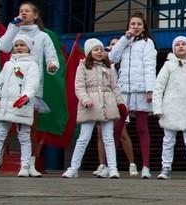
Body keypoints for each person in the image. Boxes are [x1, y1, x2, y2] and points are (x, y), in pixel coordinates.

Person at [0, 1, 60, 176]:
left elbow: (52, 56)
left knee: (30, 126)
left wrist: (52, 65)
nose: (23, 13)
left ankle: (30, 163)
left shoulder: (43, 36)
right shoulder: (15, 32)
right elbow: (2, 46)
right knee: (4, 125)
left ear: (35, 15)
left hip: (31, 87)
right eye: (21, 11)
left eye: (27, 11)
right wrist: (12, 26)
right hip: (11, 87)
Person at [0, 34, 40, 177]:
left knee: (24, 136)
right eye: (16, 45)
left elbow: (32, 84)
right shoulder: (8, 65)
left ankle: (25, 166)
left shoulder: (32, 65)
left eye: (22, 45)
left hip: (21, 106)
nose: (19, 47)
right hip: (4, 107)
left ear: (29, 48)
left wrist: (26, 97)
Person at [62, 38, 122, 179]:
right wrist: (85, 99)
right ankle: (73, 168)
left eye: (101, 49)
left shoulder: (108, 67)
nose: (99, 52)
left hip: (108, 105)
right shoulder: (82, 66)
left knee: (108, 138)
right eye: (96, 50)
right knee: (84, 138)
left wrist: (120, 103)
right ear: (89, 52)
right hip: (89, 106)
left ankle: (113, 168)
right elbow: (79, 87)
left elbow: (115, 87)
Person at [108, 12, 157, 178]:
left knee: (142, 127)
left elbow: (150, 66)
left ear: (144, 27)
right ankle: (111, 166)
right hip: (123, 90)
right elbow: (112, 58)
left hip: (140, 89)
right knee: (117, 127)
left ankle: (146, 167)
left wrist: (150, 90)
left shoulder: (147, 43)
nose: (135, 27)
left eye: (139, 24)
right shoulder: (124, 42)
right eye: (132, 24)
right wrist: (124, 39)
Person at [152, 36, 186, 181]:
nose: (181, 46)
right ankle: (166, 168)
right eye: (177, 44)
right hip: (170, 108)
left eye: (184, 44)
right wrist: (157, 108)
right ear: (173, 49)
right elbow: (159, 87)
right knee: (168, 140)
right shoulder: (168, 65)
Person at [94, 37, 137, 177]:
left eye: (117, 44)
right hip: (103, 102)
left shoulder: (125, 63)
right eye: (112, 44)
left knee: (122, 133)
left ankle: (132, 164)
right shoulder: (103, 63)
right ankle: (103, 165)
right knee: (101, 133)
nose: (113, 46)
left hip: (119, 100)